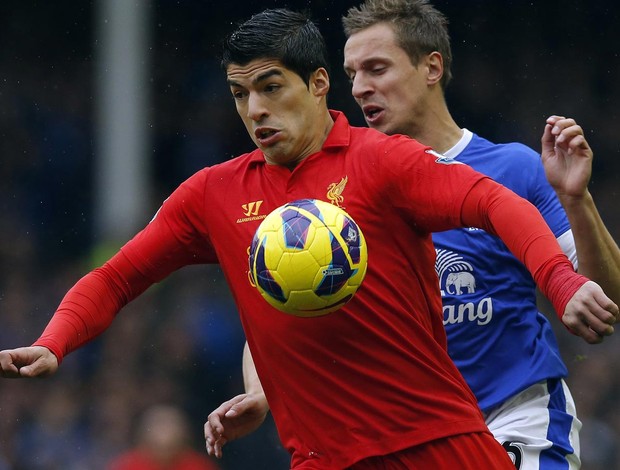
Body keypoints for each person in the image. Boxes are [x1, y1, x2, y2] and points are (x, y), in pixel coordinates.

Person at [1, 8, 617, 470]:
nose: (255, 110)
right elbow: (119, 275)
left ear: (317, 85)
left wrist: (561, 283)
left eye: (272, 87)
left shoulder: (384, 163)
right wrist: (56, 342)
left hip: (441, 442)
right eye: (241, 94)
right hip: (323, 459)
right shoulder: (213, 195)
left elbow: (491, 201)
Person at [203, 1, 620, 469]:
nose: (360, 88)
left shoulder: (512, 168)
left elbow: (607, 300)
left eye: (377, 69)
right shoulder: (336, 191)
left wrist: (577, 201)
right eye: (352, 73)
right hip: (407, 439)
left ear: (431, 68)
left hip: (514, 419)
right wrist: (260, 394)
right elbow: (286, 304)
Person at [107, 404, 220, 470]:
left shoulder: (199, 465)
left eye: (171, 427)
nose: (165, 437)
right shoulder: (127, 465)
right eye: (159, 427)